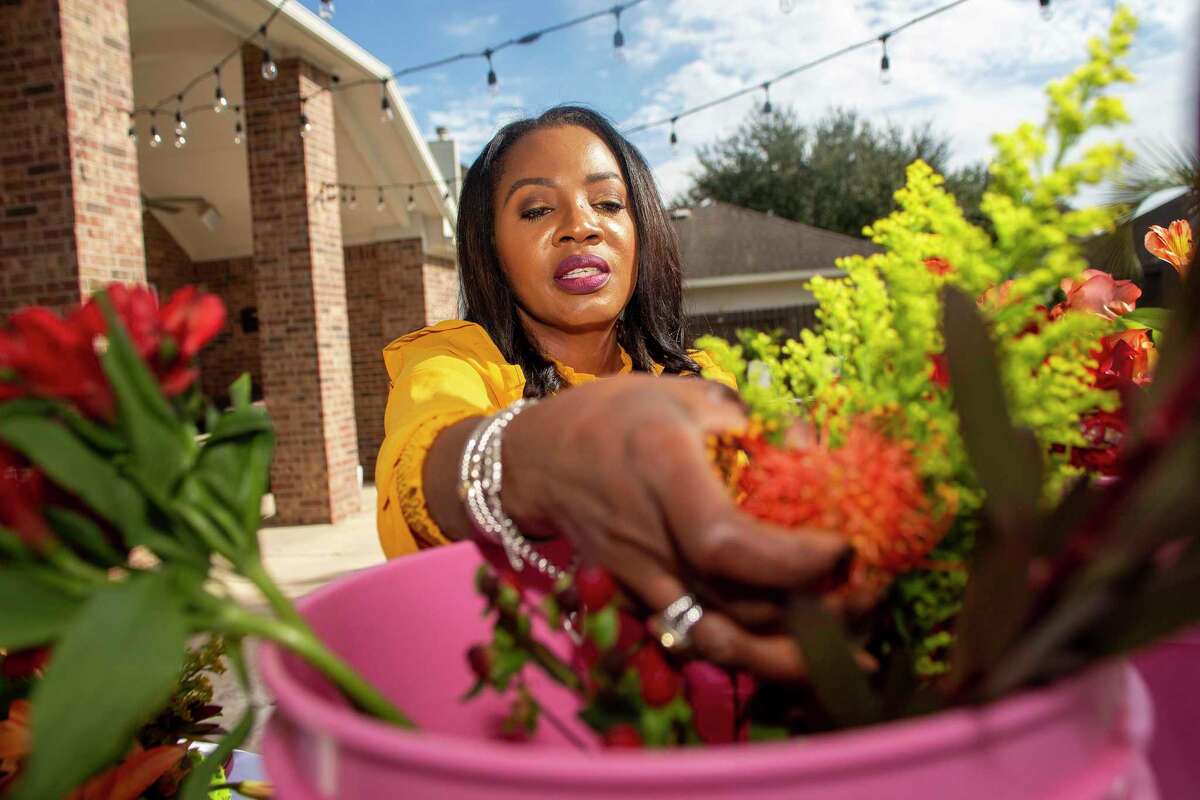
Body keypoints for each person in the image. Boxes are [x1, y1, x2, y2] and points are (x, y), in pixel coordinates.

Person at [376, 106, 846, 679]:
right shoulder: (452, 361)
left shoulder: (698, 381)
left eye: (608, 203)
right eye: (538, 209)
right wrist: (546, 457)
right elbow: (417, 470)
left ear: (640, 229)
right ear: (490, 248)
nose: (581, 225)